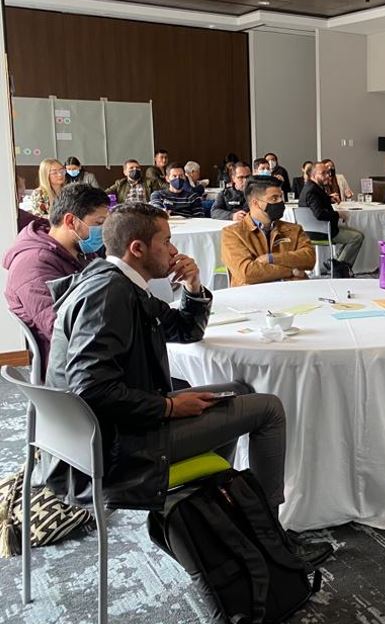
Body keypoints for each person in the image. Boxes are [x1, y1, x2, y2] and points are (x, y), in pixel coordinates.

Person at [44, 203, 332, 568]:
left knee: (238, 391)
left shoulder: (118, 282)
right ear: (137, 248)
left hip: (109, 431)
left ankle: (219, 504)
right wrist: (168, 407)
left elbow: (185, 330)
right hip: (115, 449)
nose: (173, 250)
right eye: (165, 241)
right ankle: (272, 538)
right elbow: (91, 389)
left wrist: (193, 286)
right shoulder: (111, 295)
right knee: (269, 409)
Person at [3, 184, 109, 365]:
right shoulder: (33, 265)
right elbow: (62, 331)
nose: (104, 231)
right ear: (71, 221)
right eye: (99, 224)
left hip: (92, 347)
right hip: (72, 364)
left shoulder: (79, 251)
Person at [221, 177, 314, 287]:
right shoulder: (233, 233)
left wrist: (271, 258)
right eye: (274, 198)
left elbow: (309, 259)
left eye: (281, 197)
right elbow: (247, 272)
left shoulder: (294, 229)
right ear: (255, 203)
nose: (280, 202)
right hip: (252, 294)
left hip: (290, 291)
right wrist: (291, 271)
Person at [299, 161, 364, 271]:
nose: (327, 176)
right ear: (313, 175)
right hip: (321, 231)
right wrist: (338, 214)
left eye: (327, 173)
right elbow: (319, 214)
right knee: (357, 237)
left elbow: (316, 203)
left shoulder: (311, 187)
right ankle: (339, 267)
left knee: (354, 233)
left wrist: (329, 199)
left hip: (314, 229)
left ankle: (336, 263)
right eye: (323, 173)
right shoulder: (312, 191)